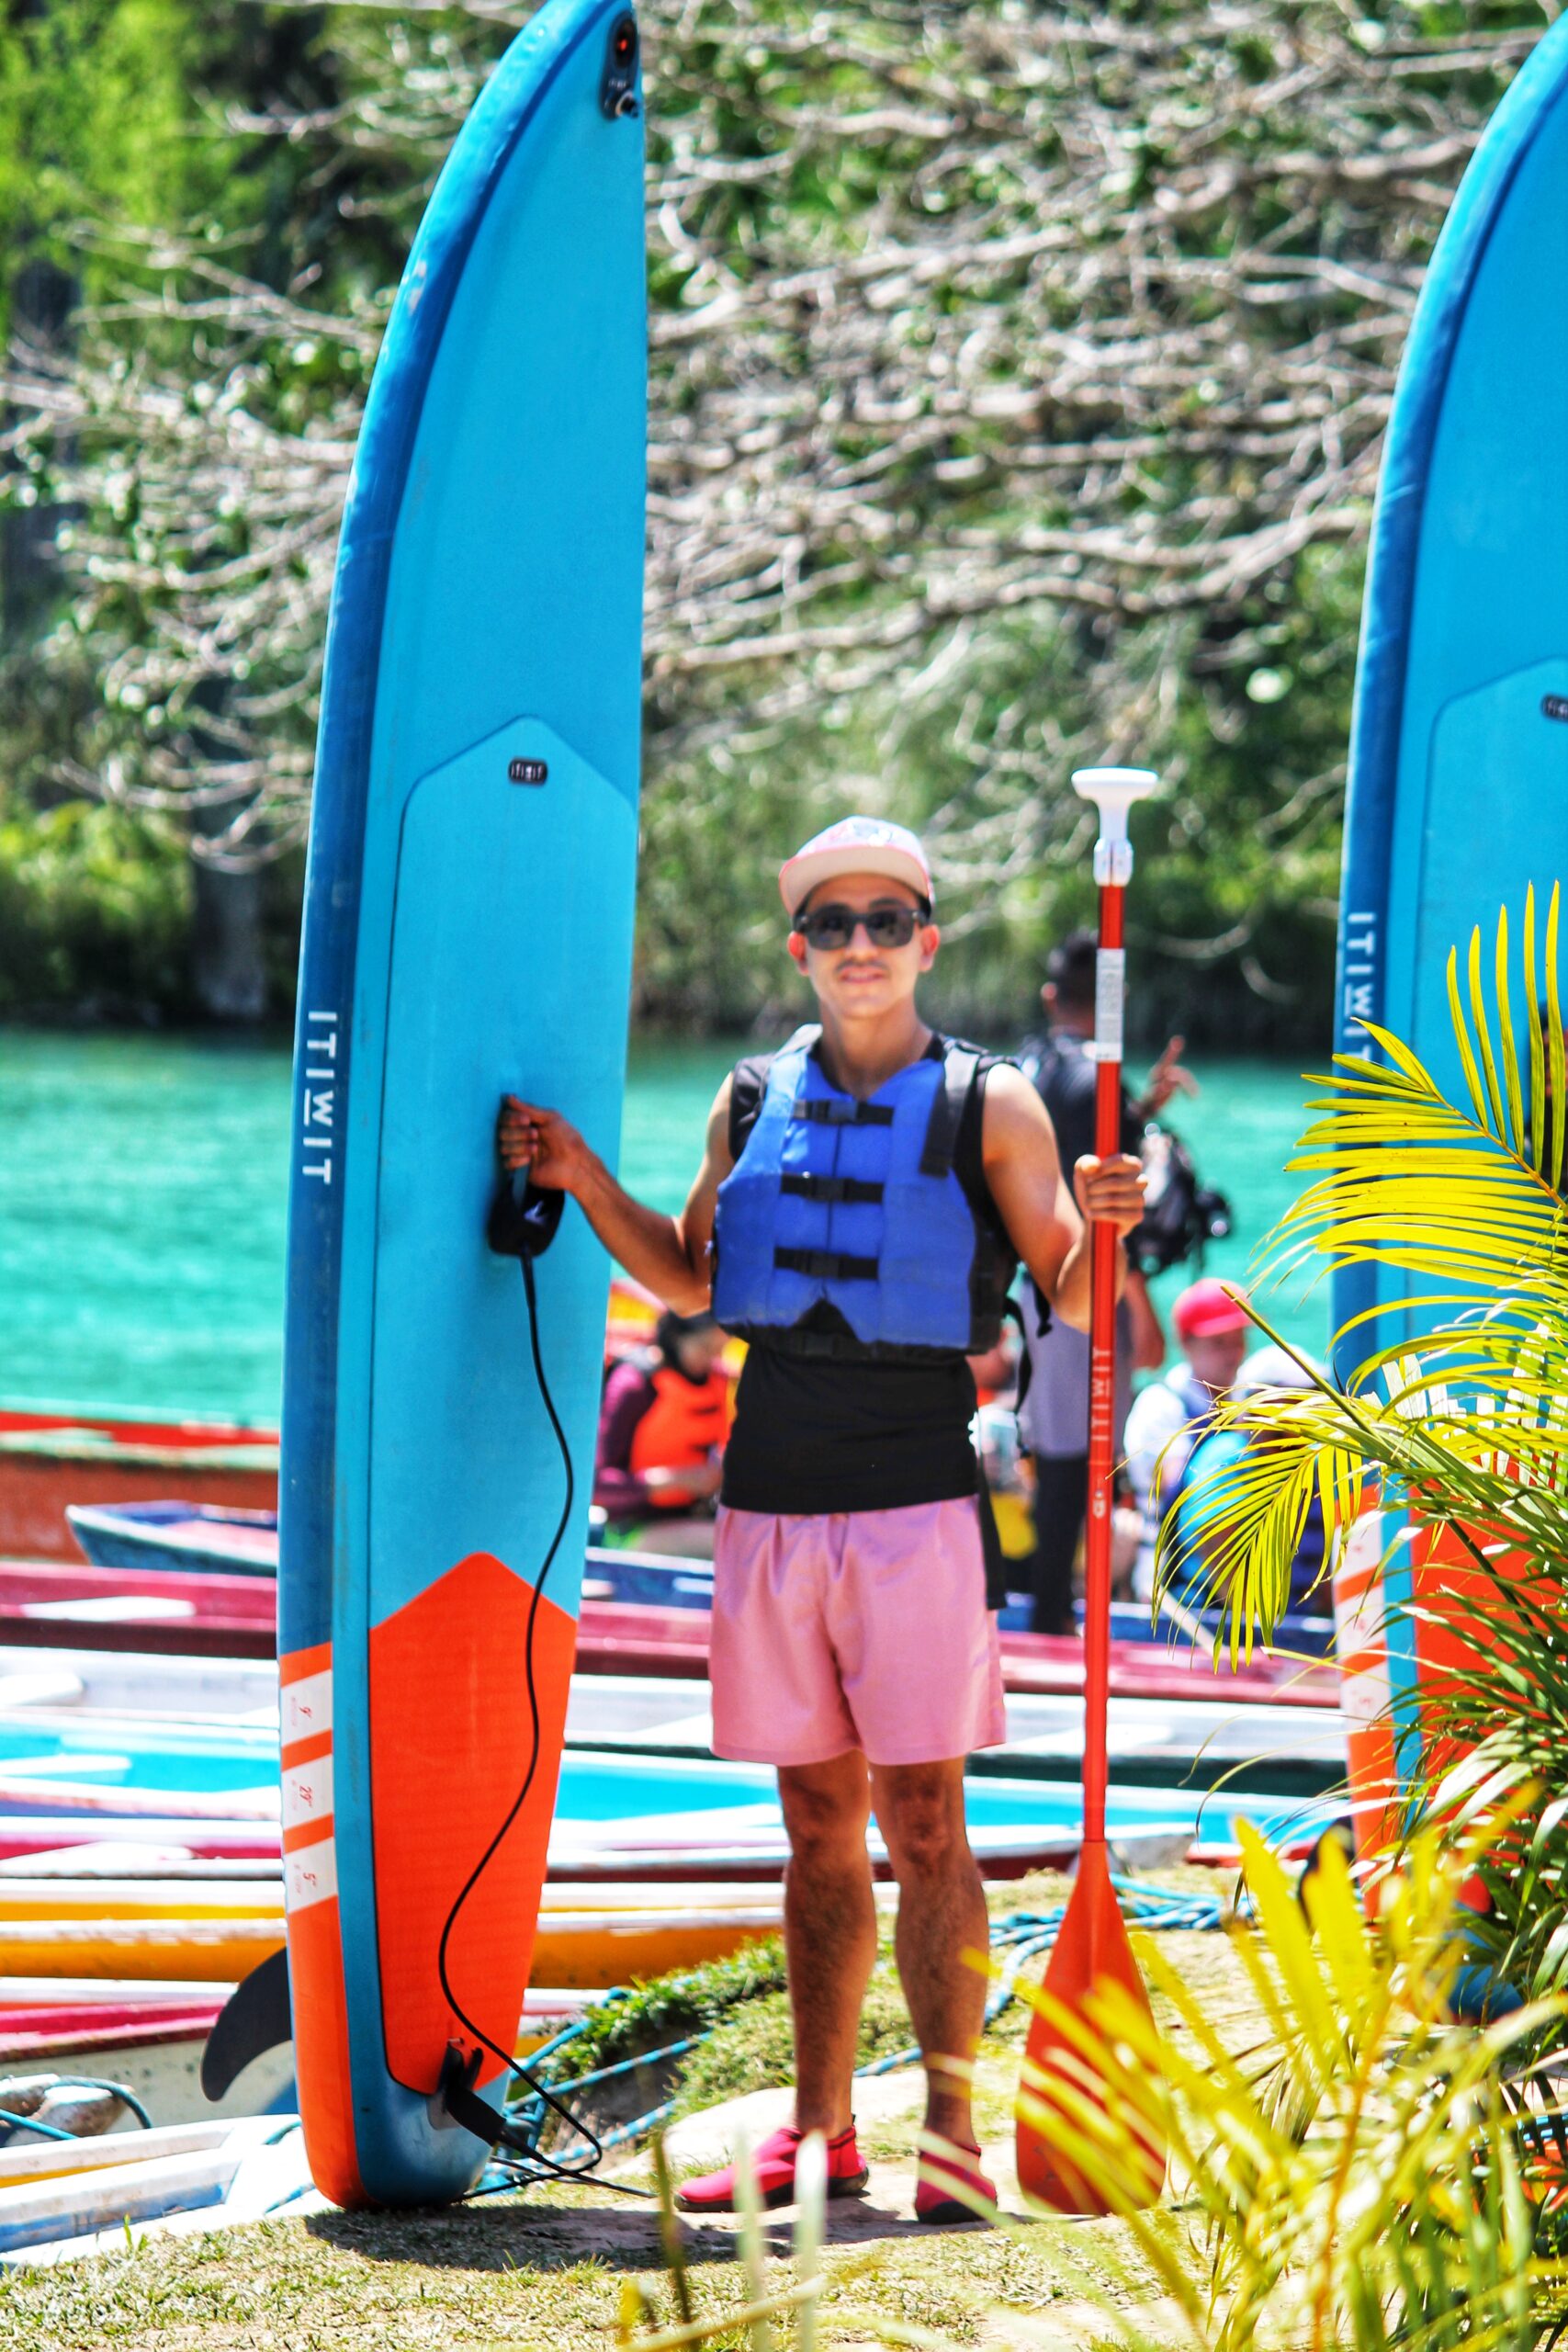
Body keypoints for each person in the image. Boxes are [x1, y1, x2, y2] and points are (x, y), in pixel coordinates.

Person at [496, 814, 1145, 2223]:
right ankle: (820, 2130)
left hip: (913, 1510)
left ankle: (956, 2124)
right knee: (809, 1829)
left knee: (924, 1826)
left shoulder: (993, 1106)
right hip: (768, 1511)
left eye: (885, 919)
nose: (858, 944)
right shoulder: (748, 1097)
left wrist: (1109, 1221)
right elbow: (682, 1278)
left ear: (925, 940)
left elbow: (1077, 1297)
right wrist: (578, 1176)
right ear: (800, 948)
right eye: (831, 923)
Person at [1014, 929, 1189, 1633]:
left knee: (1063, 1453)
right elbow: (1117, 1205)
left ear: (1052, 995)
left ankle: (1054, 1613)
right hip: (1096, 1282)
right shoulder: (1100, 1079)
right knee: (1079, 1460)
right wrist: (1138, 1304)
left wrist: (1142, 1109)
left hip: (1035, 1284)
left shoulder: (1021, 1071)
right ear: (1111, 1002)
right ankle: (1057, 1621)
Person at [1122, 1276, 1251, 1604]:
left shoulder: (1246, 1402)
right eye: (1219, 1342)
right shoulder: (1161, 1404)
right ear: (1186, 1343)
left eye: (1238, 1339)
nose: (1233, 1353)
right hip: (1170, 1590)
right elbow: (1179, 1489)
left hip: (1236, 1588)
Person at [592, 1307, 732, 1557]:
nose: (713, 1359)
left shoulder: (717, 1382)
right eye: (705, 1347)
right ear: (678, 1337)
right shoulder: (635, 1384)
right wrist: (675, 1481)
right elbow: (597, 1487)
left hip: (695, 1518)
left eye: (719, 1350)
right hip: (632, 1530)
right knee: (736, 1545)